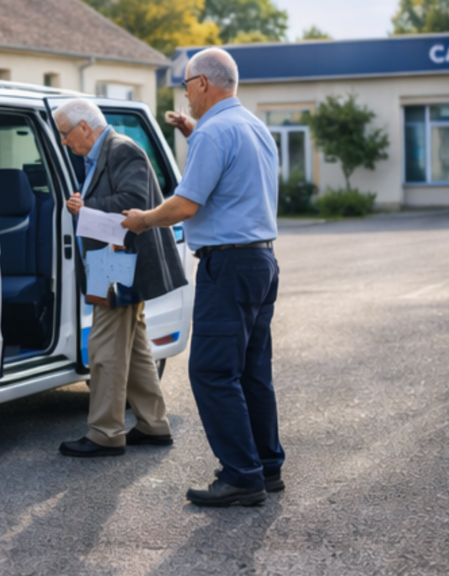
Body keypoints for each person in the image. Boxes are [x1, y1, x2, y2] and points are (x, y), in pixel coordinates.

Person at [121, 48, 284, 506]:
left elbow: (185, 205)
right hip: (260, 262)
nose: (186, 95)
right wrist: (194, 133)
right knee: (252, 372)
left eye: (187, 85)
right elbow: (232, 175)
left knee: (212, 371)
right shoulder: (251, 126)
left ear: (204, 84)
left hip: (228, 267)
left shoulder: (215, 132)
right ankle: (266, 466)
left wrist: (143, 220)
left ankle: (242, 476)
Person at [54, 99, 187, 458]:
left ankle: (105, 433)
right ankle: (153, 424)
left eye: (65, 133)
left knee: (104, 347)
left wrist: (85, 207)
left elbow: (133, 203)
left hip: (119, 261)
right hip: (110, 260)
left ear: (84, 127)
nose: (64, 141)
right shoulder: (103, 152)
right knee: (135, 345)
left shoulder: (122, 149)